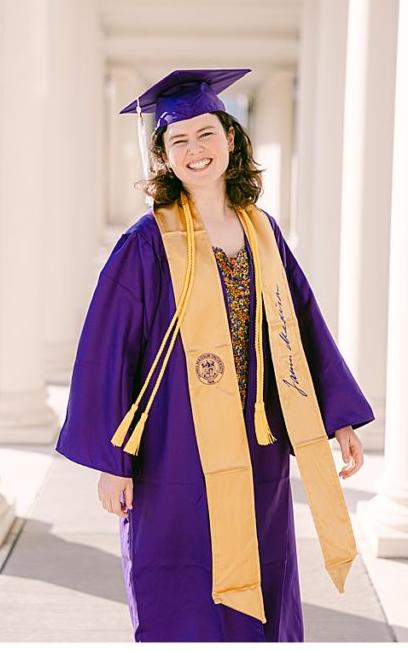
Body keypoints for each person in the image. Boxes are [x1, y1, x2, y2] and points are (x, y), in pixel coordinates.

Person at [55, 68, 374, 642]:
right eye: (178, 140)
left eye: (206, 134)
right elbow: (108, 351)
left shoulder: (262, 231)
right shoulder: (146, 243)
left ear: (232, 139)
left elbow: (302, 327)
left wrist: (339, 416)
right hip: (172, 447)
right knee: (175, 576)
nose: (195, 150)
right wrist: (111, 461)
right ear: (164, 157)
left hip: (260, 443)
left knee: (263, 569)